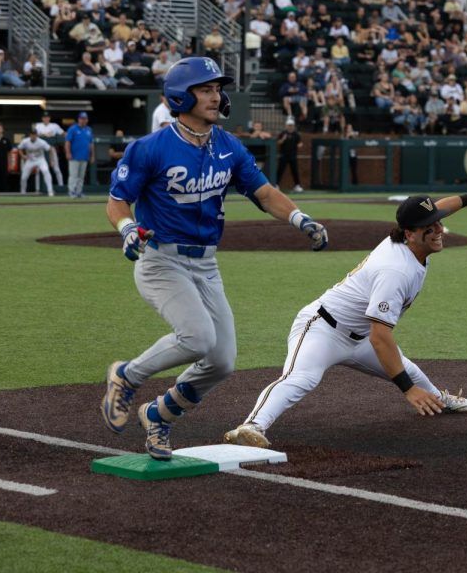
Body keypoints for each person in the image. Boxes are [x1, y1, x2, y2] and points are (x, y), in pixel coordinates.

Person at [98, 56, 329, 461]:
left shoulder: (227, 145)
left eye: (216, 89)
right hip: (161, 261)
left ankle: (159, 414)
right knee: (198, 338)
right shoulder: (150, 148)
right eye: (205, 89)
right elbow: (118, 202)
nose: (215, 95)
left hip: (206, 264)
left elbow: (263, 192)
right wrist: (127, 229)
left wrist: (299, 217)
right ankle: (126, 376)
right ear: (179, 96)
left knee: (221, 361)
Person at [221, 164, 467, 449]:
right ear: (411, 234)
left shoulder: (409, 236)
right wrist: (407, 391)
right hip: (322, 329)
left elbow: (440, 209)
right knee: (302, 378)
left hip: (357, 337)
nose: (438, 230)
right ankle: (251, 427)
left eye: (437, 224)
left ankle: (439, 399)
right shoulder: (395, 271)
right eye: (430, 227)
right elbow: (380, 337)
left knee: (410, 370)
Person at [17, 127, 55, 196]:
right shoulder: (25, 141)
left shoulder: (41, 142)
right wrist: (22, 156)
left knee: (46, 171)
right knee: (24, 177)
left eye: (34, 134)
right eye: (32, 134)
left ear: (37, 135)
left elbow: (50, 149)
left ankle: (50, 191)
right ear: (30, 135)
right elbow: (19, 148)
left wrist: (51, 160)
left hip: (40, 159)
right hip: (30, 160)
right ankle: (23, 192)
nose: (33, 136)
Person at [65, 111, 94, 198]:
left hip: (84, 156)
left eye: (85, 119)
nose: (83, 120)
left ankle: (79, 192)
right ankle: (71, 192)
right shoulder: (73, 129)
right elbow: (67, 142)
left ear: (87, 120)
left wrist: (92, 155)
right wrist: (68, 152)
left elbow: (91, 144)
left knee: (81, 176)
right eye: (81, 118)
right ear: (78, 119)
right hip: (74, 156)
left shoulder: (89, 130)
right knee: (73, 175)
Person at [34, 112, 66, 188]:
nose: (46, 118)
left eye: (47, 117)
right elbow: (33, 135)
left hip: (51, 149)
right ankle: (38, 189)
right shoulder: (38, 125)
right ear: (42, 118)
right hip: (40, 150)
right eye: (44, 117)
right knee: (38, 170)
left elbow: (64, 134)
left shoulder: (54, 126)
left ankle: (61, 186)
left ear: (49, 118)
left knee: (56, 169)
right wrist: (44, 135)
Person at [276, 116, 303, 193]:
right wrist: (283, 139)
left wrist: (300, 145)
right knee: (280, 170)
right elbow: (278, 143)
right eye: (289, 125)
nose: (290, 127)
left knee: (295, 171)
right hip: (284, 155)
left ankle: (297, 185)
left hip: (293, 156)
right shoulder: (282, 133)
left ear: (293, 126)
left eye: (291, 125)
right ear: (286, 125)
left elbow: (300, 143)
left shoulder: (296, 134)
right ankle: (276, 184)